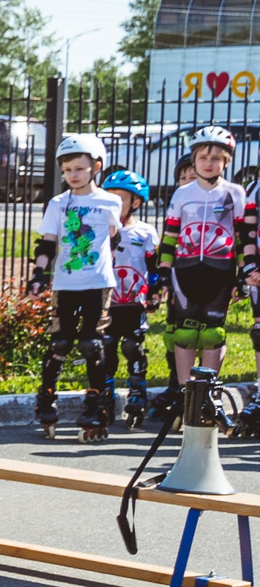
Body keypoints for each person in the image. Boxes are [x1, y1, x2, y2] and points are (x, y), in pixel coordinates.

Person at [154, 124, 254, 419]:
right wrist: (163, 272)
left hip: (220, 271)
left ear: (227, 161)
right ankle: (187, 395)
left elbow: (241, 236)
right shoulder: (182, 194)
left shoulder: (236, 193)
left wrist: (241, 275)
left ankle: (207, 394)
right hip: (185, 271)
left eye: (216, 158)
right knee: (185, 333)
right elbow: (170, 235)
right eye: (202, 157)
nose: (208, 163)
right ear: (193, 160)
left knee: (213, 333)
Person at [27, 136, 123, 441]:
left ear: (96, 167)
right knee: (60, 343)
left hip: (97, 284)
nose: (73, 175)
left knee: (91, 344)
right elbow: (48, 242)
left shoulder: (110, 201)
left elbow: (114, 238)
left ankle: (97, 404)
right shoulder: (57, 203)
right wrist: (38, 273)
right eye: (67, 170)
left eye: (79, 168)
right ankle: (46, 399)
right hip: (66, 284)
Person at [102, 169, 162, 428]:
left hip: (135, 300)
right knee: (106, 346)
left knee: (132, 347)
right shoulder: (101, 231)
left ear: (136, 202)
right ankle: (104, 392)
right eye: (109, 197)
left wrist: (155, 293)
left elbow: (154, 267)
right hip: (108, 301)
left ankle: (137, 393)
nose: (114, 203)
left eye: (120, 198)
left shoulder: (145, 232)